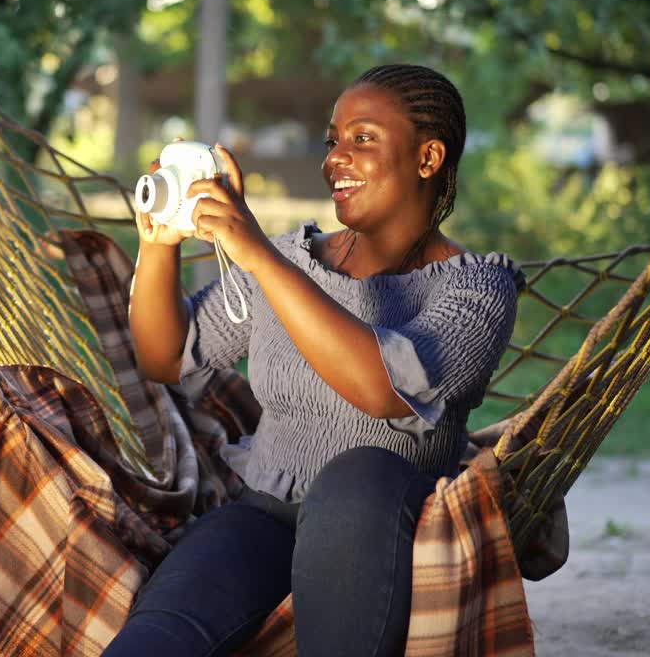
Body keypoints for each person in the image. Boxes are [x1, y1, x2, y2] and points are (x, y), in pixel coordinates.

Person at [106, 64, 524, 657]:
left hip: (382, 524)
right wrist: (156, 244)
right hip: (263, 517)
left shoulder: (478, 289)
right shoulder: (289, 261)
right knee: (154, 640)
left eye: (362, 139)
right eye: (333, 141)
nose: (335, 159)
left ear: (428, 158)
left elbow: (385, 391)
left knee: (356, 475)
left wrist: (257, 256)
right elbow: (165, 355)